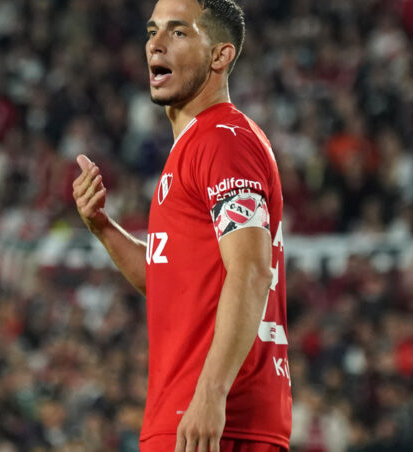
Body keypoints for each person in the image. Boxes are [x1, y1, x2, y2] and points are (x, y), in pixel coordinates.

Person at [72, 0, 291, 451]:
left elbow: (251, 271)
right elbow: (170, 283)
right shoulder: (193, 148)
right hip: (190, 418)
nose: (155, 43)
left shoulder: (222, 141)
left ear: (220, 55)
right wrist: (102, 227)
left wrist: (210, 394)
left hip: (219, 421)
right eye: (152, 31)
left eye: (178, 32)